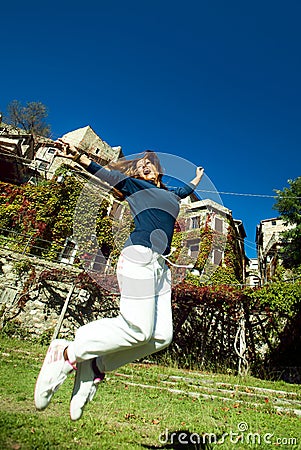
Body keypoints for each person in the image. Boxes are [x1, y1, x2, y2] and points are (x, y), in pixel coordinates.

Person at [34, 140, 204, 420]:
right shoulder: (136, 187)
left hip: (161, 269)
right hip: (138, 255)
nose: (143, 165)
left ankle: (96, 366)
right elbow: (111, 176)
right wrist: (80, 157)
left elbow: (184, 191)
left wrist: (197, 176)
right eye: (139, 165)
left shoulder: (171, 194)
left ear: (158, 169)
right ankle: (66, 353)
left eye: (148, 163)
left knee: (160, 336)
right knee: (138, 328)